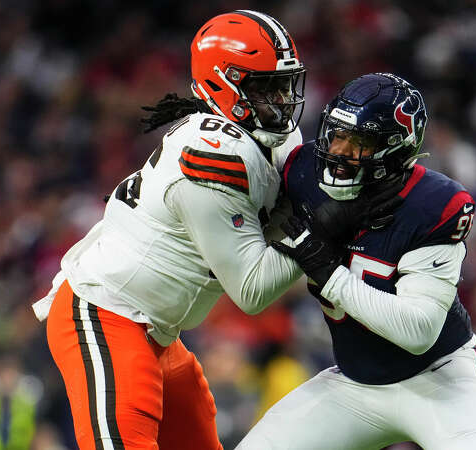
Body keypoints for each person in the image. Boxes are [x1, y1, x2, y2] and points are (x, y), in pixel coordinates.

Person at [31, 10, 309, 450]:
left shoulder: (267, 141)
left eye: (282, 84)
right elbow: (253, 289)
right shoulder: (212, 154)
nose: (279, 99)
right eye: (263, 86)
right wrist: (322, 230)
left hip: (158, 332)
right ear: (224, 84)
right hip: (107, 315)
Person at [236, 73, 476, 450]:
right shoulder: (302, 173)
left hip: (439, 379)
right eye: (337, 135)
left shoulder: (432, 205)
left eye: (359, 142)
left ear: (395, 151)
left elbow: (418, 332)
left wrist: (330, 276)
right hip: (354, 383)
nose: (341, 151)